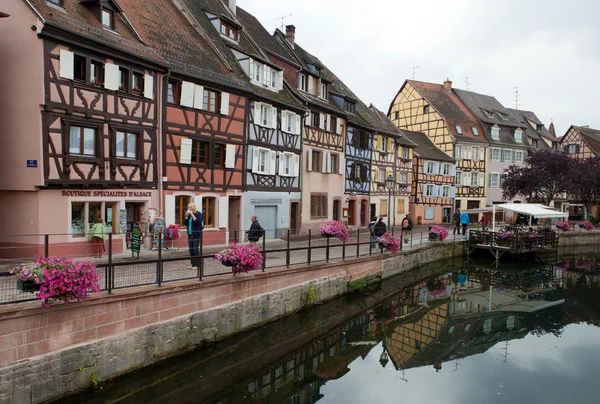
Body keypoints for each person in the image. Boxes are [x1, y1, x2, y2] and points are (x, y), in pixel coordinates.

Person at [183, 203, 203, 270]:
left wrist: (192, 215)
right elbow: (185, 223)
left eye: (190, 208)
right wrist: (186, 216)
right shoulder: (188, 215)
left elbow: (198, 222)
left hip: (196, 234)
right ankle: (193, 265)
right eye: (188, 208)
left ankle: (197, 265)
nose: (189, 209)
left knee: (195, 249)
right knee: (191, 250)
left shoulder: (198, 214)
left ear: (193, 208)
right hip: (190, 234)